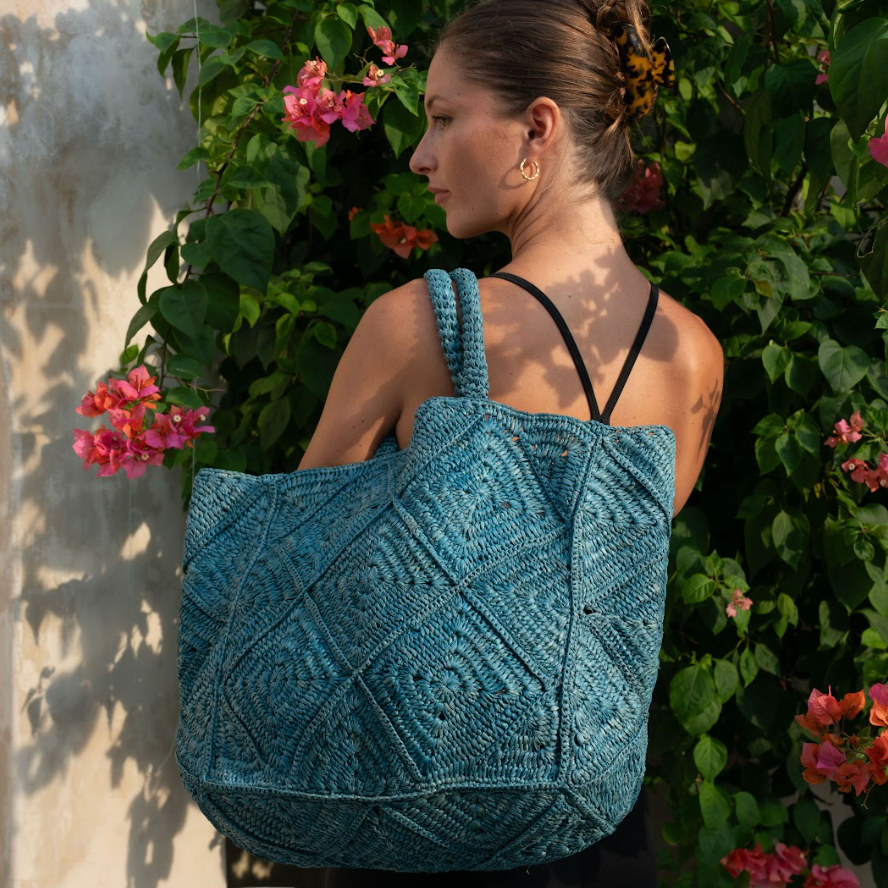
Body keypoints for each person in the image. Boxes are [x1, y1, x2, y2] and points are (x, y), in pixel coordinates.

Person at [297, 0, 724, 884]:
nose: (420, 156)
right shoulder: (693, 356)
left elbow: (304, 574)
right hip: (597, 830)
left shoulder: (418, 327)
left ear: (538, 127)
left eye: (444, 118)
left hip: (419, 817)